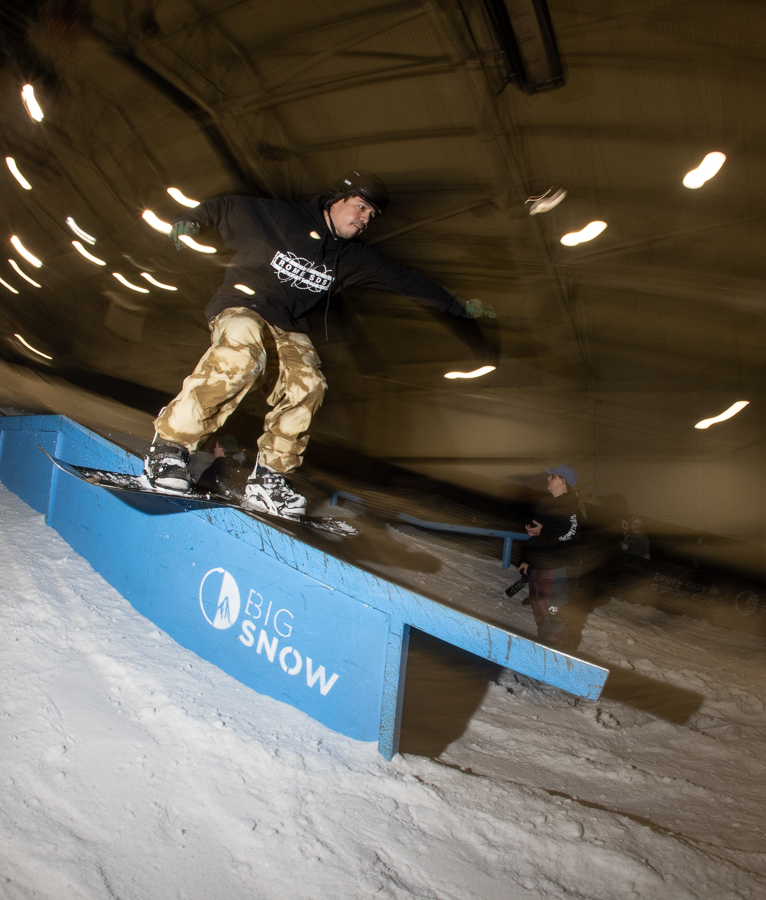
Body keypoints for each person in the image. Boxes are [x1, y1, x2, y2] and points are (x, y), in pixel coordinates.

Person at [143, 171, 495, 516]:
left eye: (371, 215)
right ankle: (170, 447)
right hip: (242, 306)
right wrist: (192, 219)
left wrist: (456, 305)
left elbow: (405, 279)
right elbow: (225, 206)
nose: (364, 220)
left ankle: (270, 477)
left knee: (309, 385)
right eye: (360, 207)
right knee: (241, 358)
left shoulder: (353, 257)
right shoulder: (280, 217)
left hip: (288, 327)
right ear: (336, 200)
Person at [516, 464, 585, 645]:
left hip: (559, 569)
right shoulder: (546, 504)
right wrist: (527, 559)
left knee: (554, 616)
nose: (548, 479)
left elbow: (570, 534)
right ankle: (545, 649)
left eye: (552, 476)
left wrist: (543, 531)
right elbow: (538, 537)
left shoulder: (570, 505)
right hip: (540, 567)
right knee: (540, 610)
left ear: (563, 481)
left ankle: (556, 654)